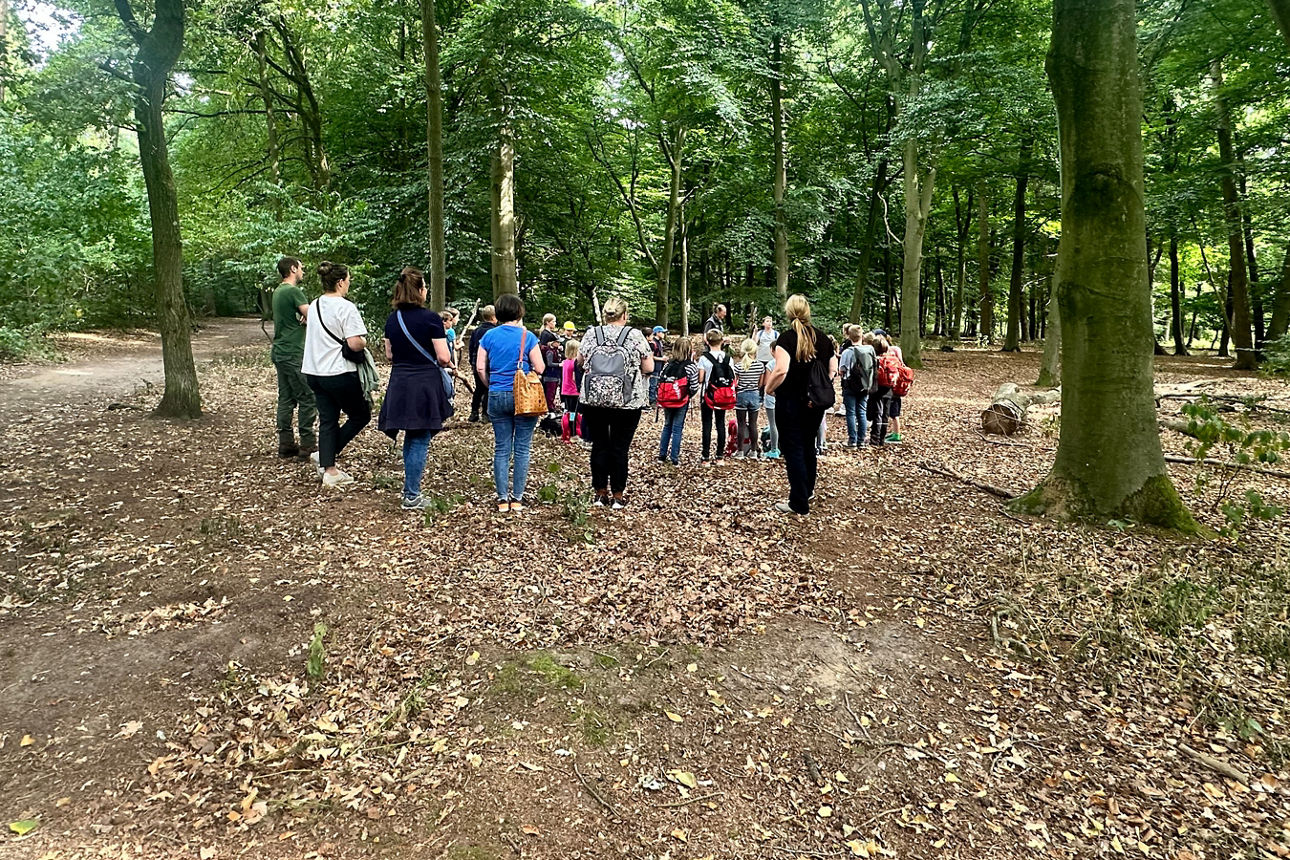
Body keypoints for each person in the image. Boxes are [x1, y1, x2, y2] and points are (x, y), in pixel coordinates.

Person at [377, 267, 453, 509]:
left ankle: (410, 489)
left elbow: (389, 355)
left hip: (400, 381)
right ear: (420, 290)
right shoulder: (430, 318)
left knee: (413, 434)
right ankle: (411, 495)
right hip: (423, 383)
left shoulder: (393, 319)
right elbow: (443, 357)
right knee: (420, 436)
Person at [578, 297, 653, 508]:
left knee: (599, 444)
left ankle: (600, 492)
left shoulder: (592, 333)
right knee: (620, 447)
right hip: (627, 402)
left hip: (594, 400)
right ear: (625, 315)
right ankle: (618, 495)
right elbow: (648, 367)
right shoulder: (635, 335)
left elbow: (580, 361)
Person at [764, 294, 836, 515]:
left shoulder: (786, 339)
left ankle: (798, 502)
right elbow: (833, 368)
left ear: (788, 312)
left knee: (793, 449)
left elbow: (782, 369)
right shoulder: (823, 339)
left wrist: (768, 388)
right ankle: (807, 490)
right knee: (808, 446)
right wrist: (822, 385)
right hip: (815, 403)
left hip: (790, 403)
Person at [302, 262, 370, 487]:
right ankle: (326, 458)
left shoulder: (315, 304)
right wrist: (364, 341)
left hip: (314, 370)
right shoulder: (345, 307)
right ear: (340, 282)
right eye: (348, 279)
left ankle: (328, 466)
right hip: (339, 371)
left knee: (328, 418)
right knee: (361, 415)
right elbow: (354, 343)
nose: (349, 283)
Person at [477, 293, 545, 512]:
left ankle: (501, 498)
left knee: (501, 447)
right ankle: (517, 498)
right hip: (524, 396)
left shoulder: (488, 336)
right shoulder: (529, 337)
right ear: (519, 312)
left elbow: (480, 367)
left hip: (497, 393)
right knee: (522, 447)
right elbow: (540, 367)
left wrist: (490, 384)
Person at [270, 256, 317, 459]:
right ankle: (307, 445)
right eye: (301, 268)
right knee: (308, 396)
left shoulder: (278, 292)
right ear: (292, 269)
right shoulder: (293, 291)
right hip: (293, 352)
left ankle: (286, 443)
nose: (303, 271)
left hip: (280, 350)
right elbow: (313, 315)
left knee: (286, 397)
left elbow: (295, 316)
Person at [656, 336, 699, 465]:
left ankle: (662, 455)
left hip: (667, 399)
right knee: (677, 428)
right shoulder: (691, 367)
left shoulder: (668, 364)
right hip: (681, 400)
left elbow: (660, 380)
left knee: (667, 425)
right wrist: (688, 396)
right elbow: (694, 386)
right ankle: (674, 457)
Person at [697, 328, 733, 465]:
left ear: (708, 341)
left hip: (708, 395)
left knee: (707, 425)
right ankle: (719, 456)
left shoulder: (704, 358)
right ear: (722, 341)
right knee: (720, 424)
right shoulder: (728, 358)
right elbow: (732, 377)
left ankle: (705, 457)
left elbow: (701, 379)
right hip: (723, 394)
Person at [838, 325, 876, 448]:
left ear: (849, 336)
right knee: (862, 412)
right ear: (862, 336)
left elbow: (841, 370)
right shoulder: (869, 350)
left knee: (851, 413)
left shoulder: (847, 352)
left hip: (850, 385)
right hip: (865, 384)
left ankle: (852, 440)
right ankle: (861, 440)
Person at [733, 338, 766, 459]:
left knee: (741, 423)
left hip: (741, 395)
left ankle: (740, 451)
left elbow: (735, 383)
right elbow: (760, 383)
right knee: (753, 424)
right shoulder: (760, 366)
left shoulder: (738, 366)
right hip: (754, 394)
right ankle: (753, 450)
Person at [467, 305, 497, 422]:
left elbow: (471, 347)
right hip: (489, 363)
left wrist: (472, 361)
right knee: (488, 388)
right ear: (494, 317)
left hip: (476, 363)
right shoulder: (494, 332)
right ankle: (485, 413)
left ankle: (474, 412)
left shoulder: (476, 330)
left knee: (478, 388)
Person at [866, 334, 894, 447]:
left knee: (877, 412)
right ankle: (882, 438)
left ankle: (874, 438)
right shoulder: (891, 359)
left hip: (877, 388)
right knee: (885, 413)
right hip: (889, 389)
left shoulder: (874, 360)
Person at [539, 313, 563, 415]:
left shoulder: (547, 334)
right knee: (549, 389)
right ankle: (548, 407)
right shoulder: (546, 335)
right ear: (548, 322)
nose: (555, 323)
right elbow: (543, 350)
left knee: (551, 389)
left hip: (551, 368)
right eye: (553, 321)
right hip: (549, 368)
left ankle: (548, 406)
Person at [886, 339, 905, 444]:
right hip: (898, 390)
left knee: (894, 413)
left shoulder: (892, 365)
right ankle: (895, 432)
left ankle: (897, 434)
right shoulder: (899, 365)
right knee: (894, 412)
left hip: (893, 390)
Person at [647, 325, 667, 405]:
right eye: (662, 332)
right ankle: (652, 401)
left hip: (659, 367)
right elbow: (651, 356)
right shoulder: (653, 343)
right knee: (653, 385)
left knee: (656, 384)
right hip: (654, 367)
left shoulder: (659, 342)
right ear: (657, 333)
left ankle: (655, 399)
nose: (664, 334)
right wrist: (662, 359)